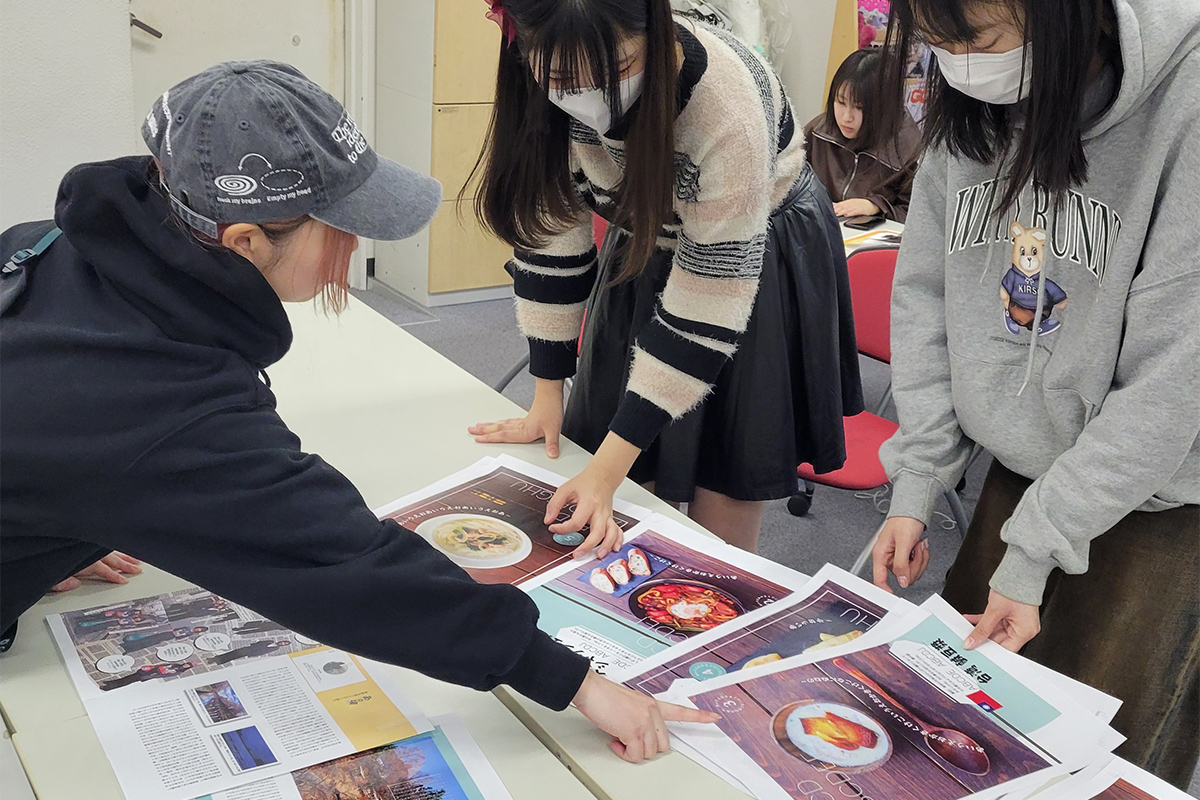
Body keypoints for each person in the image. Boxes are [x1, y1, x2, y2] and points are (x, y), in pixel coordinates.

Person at [0, 60, 716, 764]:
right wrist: (575, 681)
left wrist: (47, 519)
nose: (357, 244)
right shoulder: (149, 402)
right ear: (244, 242)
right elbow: (342, 562)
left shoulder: (57, 246)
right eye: (339, 226)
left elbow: (54, 428)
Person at [869, 0, 1199, 785]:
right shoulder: (974, 101)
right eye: (938, 43)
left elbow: (1174, 378)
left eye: (975, 40)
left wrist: (1036, 552)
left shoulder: (1183, 100)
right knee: (957, 740)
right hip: (1024, 473)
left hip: (1160, 498)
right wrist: (919, 479)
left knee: (1102, 760)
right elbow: (926, 299)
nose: (957, 63)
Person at [468, 0, 863, 553]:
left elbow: (706, 306)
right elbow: (551, 238)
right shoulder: (534, 77)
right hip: (647, 237)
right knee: (619, 470)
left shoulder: (724, 104)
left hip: (754, 249)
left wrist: (603, 474)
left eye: (618, 68)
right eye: (562, 77)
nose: (590, 95)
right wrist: (547, 394)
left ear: (653, 33)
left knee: (720, 493)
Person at [804, 49, 922, 222]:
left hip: (873, 245)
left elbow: (917, 217)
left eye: (859, 107)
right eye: (840, 102)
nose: (846, 117)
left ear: (885, 107)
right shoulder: (817, 132)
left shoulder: (908, 148)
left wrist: (875, 206)